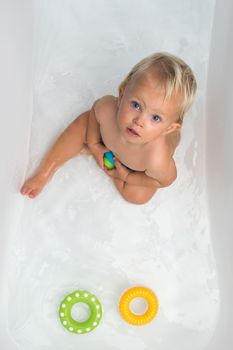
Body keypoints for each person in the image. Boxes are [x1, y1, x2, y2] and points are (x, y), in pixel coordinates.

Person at [20, 52, 197, 205]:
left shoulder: (156, 159)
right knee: (82, 124)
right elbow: (93, 116)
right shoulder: (106, 108)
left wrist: (127, 177)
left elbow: (164, 180)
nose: (139, 121)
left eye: (156, 118)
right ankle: (45, 172)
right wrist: (95, 144)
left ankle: (109, 164)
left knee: (137, 196)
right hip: (106, 145)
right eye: (135, 105)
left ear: (169, 129)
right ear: (121, 94)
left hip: (133, 169)